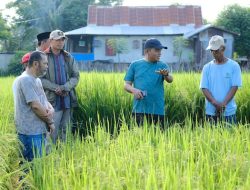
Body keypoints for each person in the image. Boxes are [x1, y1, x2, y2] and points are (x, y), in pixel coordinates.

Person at [12, 51, 55, 162]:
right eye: (45, 63)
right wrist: (50, 122)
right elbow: (35, 105)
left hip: (38, 130)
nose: (47, 66)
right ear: (36, 64)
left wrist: (51, 109)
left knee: (38, 167)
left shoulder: (37, 80)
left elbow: (43, 100)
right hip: (30, 133)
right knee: (30, 168)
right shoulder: (25, 80)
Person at [124, 38, 173, 129]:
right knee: (138, 138)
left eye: (160, 50)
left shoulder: (162, 65)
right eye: (157, 50)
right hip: (139, 109)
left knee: (159, 139)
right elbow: (126, 85)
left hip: (158, 109)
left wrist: (166, 75)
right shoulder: (135, 65)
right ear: (147, 51)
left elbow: (170, 80)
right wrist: (134, 90)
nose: (160, 53)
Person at [41, 29, 80, 144]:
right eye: (58, 40)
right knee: (52, 130)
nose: (60, 42)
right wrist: (55, 88)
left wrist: (64, 88)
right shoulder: (43, 57)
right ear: (51, 41)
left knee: (66, 131)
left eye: (62, 40)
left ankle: (64, 155)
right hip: (51, 101)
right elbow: (39, 78)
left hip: (67, 99)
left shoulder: (68, 57)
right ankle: (50, 157)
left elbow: (75, 76)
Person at [200, 35, 242, 125]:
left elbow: (234, 87)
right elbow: (204, 88)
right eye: (211, 51)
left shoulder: (234, 66)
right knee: (211, 138)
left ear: (223, 49)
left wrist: (223, 105)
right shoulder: (207, 68)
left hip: (228, 112)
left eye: (216, 51)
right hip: (211, 112)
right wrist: (215, 104)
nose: (213, 53)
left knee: (230, 137)